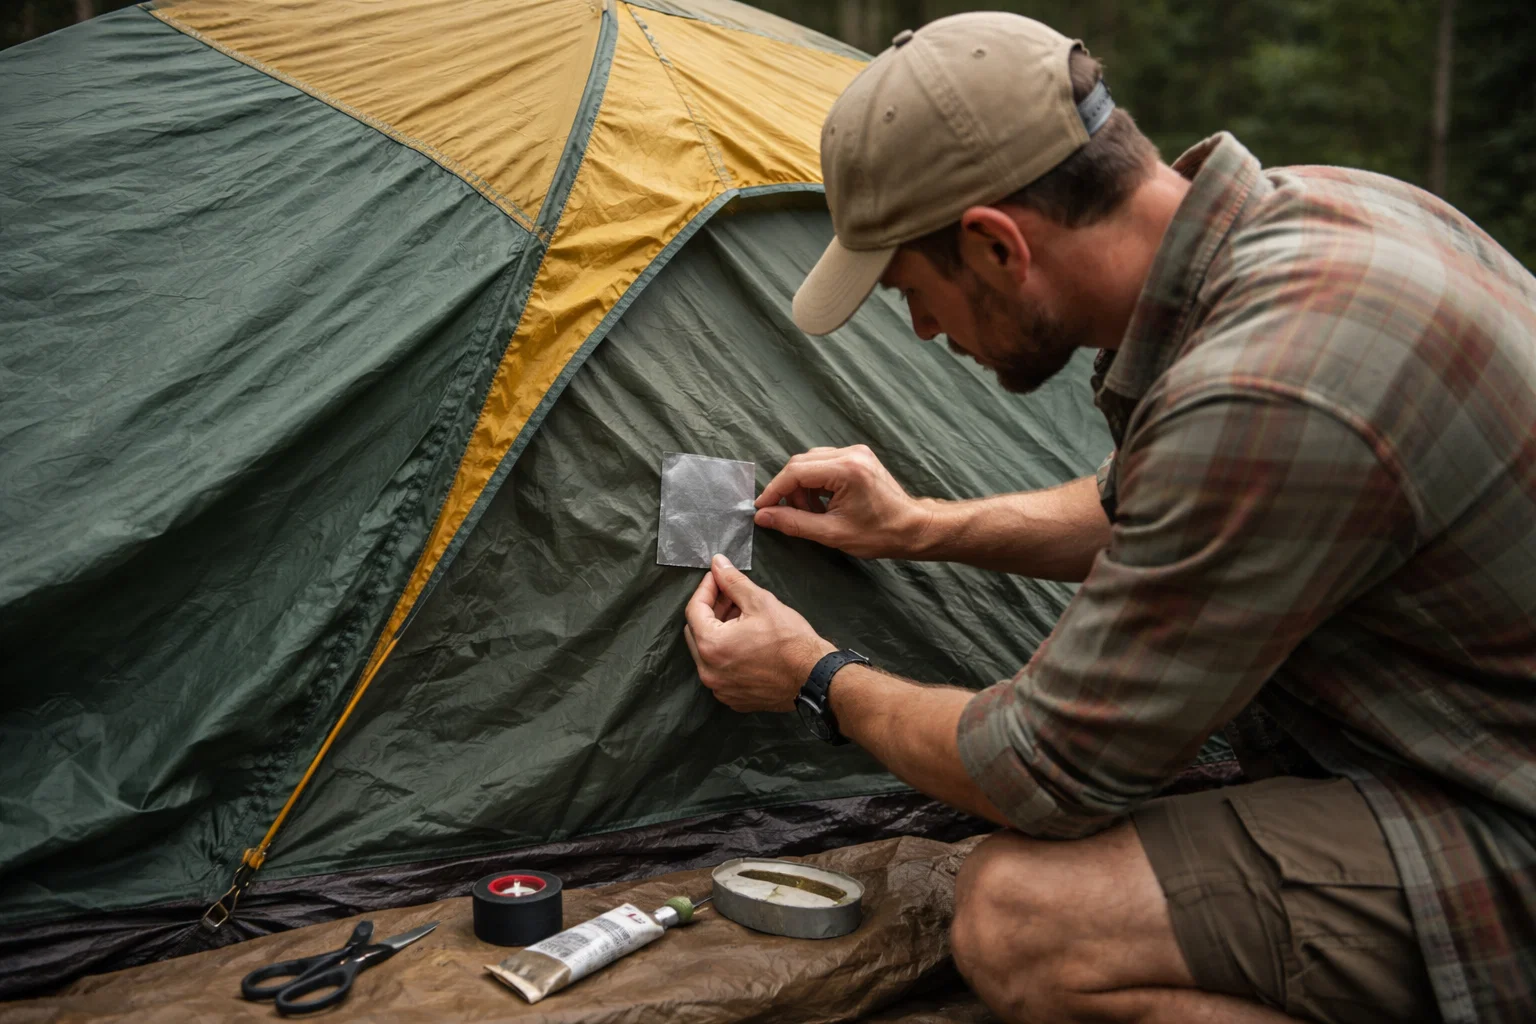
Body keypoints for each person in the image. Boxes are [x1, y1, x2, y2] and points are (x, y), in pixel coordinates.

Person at [679, 12, 1536, 1024]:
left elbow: (1043, 771)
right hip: (1465, 739)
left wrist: (817, 679)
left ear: (995, 245)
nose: (920, 331)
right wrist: (920, 528)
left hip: (1499, 814)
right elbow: (1160, 503)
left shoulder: (1268, 391)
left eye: (913, 290)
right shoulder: (1320, 215)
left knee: (1025, 919)